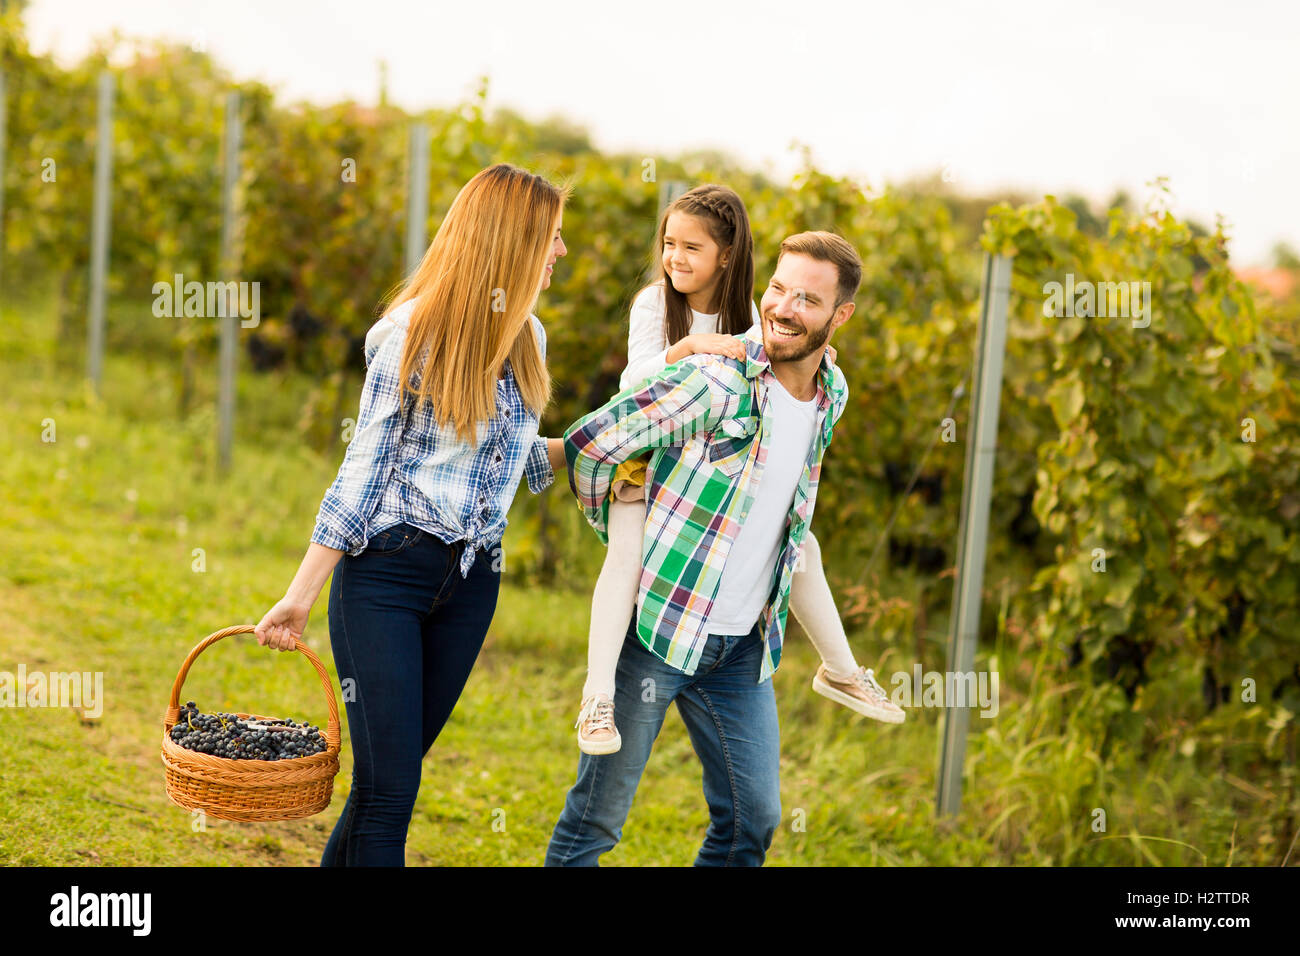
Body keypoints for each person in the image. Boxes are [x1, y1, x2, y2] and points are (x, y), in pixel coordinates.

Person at [253, 163, 569, 866]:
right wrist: (300, 596)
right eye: (550, 235)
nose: (561, 251)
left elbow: (507, 461)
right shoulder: (408, 337)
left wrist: (599, 448)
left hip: (471, 583)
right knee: (391, 793)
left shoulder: (528, 337)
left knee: (385, 784)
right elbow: (361, 473)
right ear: (509, 242)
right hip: (386, 579)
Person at [547, 231, 867, 866]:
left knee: (754, 822)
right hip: (659, 629)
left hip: (741, 648)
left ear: (840, 316)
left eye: (808, 299)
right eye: (778, 288)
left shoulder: (832, 395)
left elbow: (791, 517)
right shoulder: (713, 380)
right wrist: (626, 525)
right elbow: (594, 441)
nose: (784, 307)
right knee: (597, 824)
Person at [573, 186, 901, 757]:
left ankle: (842, 668)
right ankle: (597, 696)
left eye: (691, 247)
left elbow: (772, 361)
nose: (675, 257)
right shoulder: (656, 304)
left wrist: (817, 366)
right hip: (641, 457)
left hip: (699, 471)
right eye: (669, 243)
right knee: (625, 556)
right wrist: (691, 348)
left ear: (726, 256)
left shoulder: (749, 314)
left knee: (801, 546)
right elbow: (632, 391)